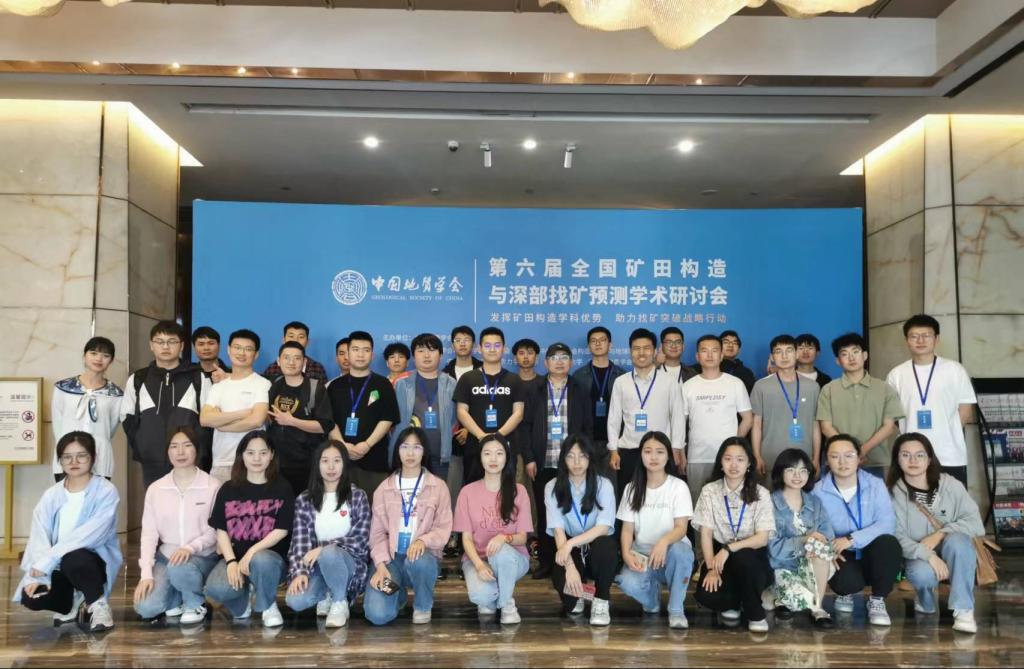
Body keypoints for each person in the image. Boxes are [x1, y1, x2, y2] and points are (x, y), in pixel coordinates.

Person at [15, 432, 121, 632]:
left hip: (91, 562)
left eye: (81, 456)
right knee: (31, 597)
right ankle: (72, 602)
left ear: (93, 458)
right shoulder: (52, 494)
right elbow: (39, 535)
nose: (74, 462)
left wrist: (48, 560)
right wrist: (39, 576)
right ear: (60, 461)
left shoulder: (106, 491)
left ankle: (98, 605)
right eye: (67, 457)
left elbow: (89, 535)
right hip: (57, 563)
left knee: (75, 558)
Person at [887, 432, 984, 634]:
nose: (913, 460)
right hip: (918, 553)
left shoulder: (950, 485)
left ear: (930, 459)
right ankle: (924, 596)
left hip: (953, 548)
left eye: (920, 455)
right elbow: (895, 535)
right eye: (905, 455)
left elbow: (975, 523)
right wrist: (929, 555)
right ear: (897, 459)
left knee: (958, 541)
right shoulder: (892, 493)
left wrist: (940, 534)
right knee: (921, 574)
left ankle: (964, 609)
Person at [365, 426, 453, 625]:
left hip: (422, 556)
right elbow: (377, 534)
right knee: (378, 615)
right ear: (397, 450)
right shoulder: (383, 489)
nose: (410, 453)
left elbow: (443, 527)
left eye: (417, 447)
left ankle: (422, 605)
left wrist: (423, 541)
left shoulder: (438, 487)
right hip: (391, 558)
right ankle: (399, 595)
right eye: (405, 447)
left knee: (420, 561)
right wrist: (380, 565)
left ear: (424, 451)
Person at [134, 426, 221, 625]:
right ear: (167, 451)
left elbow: (216, 531)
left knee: (180, 568)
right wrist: (146, 574)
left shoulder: (212, 485)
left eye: (187, 445)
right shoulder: (156, 489)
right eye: (174, 446)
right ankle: (179, 596)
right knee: (146, 607)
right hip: (167, 557)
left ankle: (195, 603)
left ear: (197, 449)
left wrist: (190, 548)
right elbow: (149, 534)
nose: (180, 452)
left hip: (201, 557)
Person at [206, 431, 294, 628]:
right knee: (216, 588)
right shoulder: (228, 489)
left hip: (270, 562)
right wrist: (231, 561)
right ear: (242, 456)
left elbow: (282, 529)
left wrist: (252, 552)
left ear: (271, 455)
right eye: (250, 453)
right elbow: (221, 530)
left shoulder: (282, 487)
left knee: (261, 560)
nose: (257, 458)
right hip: (236, 557)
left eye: (263, 453)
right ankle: (244, 598)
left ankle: (268, 605)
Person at [812, 434, 900, 627]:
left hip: (871, 548)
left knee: (889, 544)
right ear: (827, 460)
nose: (842, 462)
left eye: (849, 455)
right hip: (840, 552)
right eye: (835, 456)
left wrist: (852, 539)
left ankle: (877, 600)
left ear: (860, 458)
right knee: (846, 583)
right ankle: (845, 594)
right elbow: (815, 529)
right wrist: (827, 550)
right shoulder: (818, 491)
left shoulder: (875, 484)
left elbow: (887, 522)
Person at [524, 343, 594, 580]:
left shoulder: (580, 388)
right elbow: (525, 426)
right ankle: (547, 561)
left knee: (573, 510)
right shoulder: (534, 389)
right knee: (546, 513)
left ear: (571, 362)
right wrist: (530, 458)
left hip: (573, 464)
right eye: (554, 357)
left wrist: (585, 458)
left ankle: (574, 559)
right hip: (543, 462)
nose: (559, 361)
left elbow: (588, 426)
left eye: (565, 357)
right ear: (546, 363)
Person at [693, 437, 775, 632]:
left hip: (752, 555)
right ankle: (735, 602)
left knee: (743, 558)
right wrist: (711, 568)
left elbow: (762, 538)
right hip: (718, 555)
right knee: (708, 594)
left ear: (749, 464)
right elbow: (706, 534)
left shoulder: (761, 493)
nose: (734, 465)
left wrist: (729, 549)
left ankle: (755, 613)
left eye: (740, 459)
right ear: (720, 463)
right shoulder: (709, 491)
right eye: (728, 459)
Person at [285, 440, 370, 628]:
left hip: (350, 565)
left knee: (330, 553)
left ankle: (340, 601)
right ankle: (328, 593)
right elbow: (299, 544)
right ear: (317, 464)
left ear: (344, 464)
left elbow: (361, 540)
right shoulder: (304, 499)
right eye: (325, 461)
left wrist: (323, 548)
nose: (331, 467)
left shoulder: (357, 496)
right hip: (316, 566)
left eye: (337, 461)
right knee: (295, 601)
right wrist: (300, 572)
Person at [885, 315, 977, 486]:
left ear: (936, 339)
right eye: (914, 336)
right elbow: (892, 415)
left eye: (926, 335)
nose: (920, 340)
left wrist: (948, 432)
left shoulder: (954, 370)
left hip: (949, 455)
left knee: (951, 501)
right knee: (912, 501)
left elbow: (965, 410)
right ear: (906, 341)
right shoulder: (896, 374)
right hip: (910, 457)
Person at [615, 431, 694, 629]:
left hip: (671, 554)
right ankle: (652, 600)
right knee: (626, 582)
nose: (653, 457)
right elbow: (627, 530)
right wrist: (626, 554)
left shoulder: (678, 487)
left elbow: (681, 528)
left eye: (660, 452)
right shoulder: (631, 488)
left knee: (682, 552)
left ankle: (676, 610)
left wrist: (663, 542)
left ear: (668, 456)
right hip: (643, 556)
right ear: (640, 455)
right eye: (648, 451)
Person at [453, 434, 533, 624]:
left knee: (500, 552)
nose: (493, 459)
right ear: (480, 458)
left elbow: (522, 537)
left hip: (513, 559)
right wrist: (480, 565)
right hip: (477, 559)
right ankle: (496, 595)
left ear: (507, 457)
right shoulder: (467, 492)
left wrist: (504, 538)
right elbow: (466, 539)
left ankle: (506, 604)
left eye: (499, 453)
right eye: (487, 453)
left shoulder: (519, 491)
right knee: (481, 597)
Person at [122, 320, 211, 488]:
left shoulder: (198, 377)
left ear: (181, 346)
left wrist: (200, 447)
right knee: (156, 502)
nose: (165, 347)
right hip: (151, 460)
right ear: (151, 345)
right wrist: (142, 443)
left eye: (172, 342)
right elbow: (127, 417)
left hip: (191, 458)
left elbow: (209, 418)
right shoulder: (138, 378)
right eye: (160, 342)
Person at [545, 434, 617, 625]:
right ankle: (583, 593)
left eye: (582, 456)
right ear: (563, 459)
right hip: (570, 548)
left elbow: (603, 527)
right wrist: (569, 567)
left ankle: (601, 599)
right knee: (569, 596)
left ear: (590, 458)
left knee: (607, 547)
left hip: (596, 545)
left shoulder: (603, 485)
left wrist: (570, 543)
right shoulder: (552, 487)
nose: (576, 462)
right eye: (570, 456)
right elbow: (558, 531)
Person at [607, 328, 686, 502]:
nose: (641, 353)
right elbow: (613, 419)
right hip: (629, 451)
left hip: (660, 451)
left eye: (646, 348)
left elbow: (678, 417)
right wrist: (613, 450)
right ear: (630, 352)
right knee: (629, 501)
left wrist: (676, 448)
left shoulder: (669, 382)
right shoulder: (621, 382)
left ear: (655, 351)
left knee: (661, 501)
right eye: (636, 348)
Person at [817, 333, 904, 479]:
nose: (851, 358)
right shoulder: (828, 389)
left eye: (855, 352)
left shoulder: (884, 388)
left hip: (874, 462)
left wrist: (862, 450)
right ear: (838, 361)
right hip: (837, 462)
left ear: (865, 355)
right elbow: (826, 427)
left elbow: (889, 427)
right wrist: (850, 452)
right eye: (844, 354)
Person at [327, 330, 400, 503]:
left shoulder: (383, 384)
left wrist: (367, 445)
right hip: (340, 460)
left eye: (366, 350)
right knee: (341, 508)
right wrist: (342, 445)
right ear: (348, 353)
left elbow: (387, 418)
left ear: (372, 355)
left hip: (374, 459)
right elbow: (328, 421)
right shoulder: (334, 386)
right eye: (355, 349)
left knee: (376, 508)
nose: (360, 355)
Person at [767, 448, 835, 629]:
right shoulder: (769, 502)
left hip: (812, 562)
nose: (797, 476)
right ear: (780, 472)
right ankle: (780, 598)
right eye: (791, 470)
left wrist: (815, 544)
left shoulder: (815, 502)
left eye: (803, 470)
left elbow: (827, 534)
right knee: (793, 602)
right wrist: (804, 540)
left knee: (820, 551)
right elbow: (772, 547)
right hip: (781, 564)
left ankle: (818, 607)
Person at [682, 335, 753, 504]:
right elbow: (679, 423)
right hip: (697, 457)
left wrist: (735, 445)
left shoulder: (735, 383)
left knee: (729, 505)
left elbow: (748, 418)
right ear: (697, 356)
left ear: (721, 355)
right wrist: (681, 454)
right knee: (698, 505)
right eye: (704, 351)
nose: (709, 355)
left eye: (714, 350)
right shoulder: (688, 386)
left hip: (729, 459)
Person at [453, 327, 526, 484]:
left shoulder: (514, 380)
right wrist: (482, 436)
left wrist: (497, 436)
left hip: (506, 447)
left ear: (504, 348)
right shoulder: (468, 378)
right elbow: (461, 412)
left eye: (497, 345)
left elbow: (518, 413)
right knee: (474, 490)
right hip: (475, 447)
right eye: (487, 345)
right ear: (479, 349)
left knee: (506, 491)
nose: (492, 349)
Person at [200, 329, 272, 483]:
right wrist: (242, 413)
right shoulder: (218, 386)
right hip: (221, 461)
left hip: (253, 462)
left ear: (256, 354)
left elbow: (256, 421)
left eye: (248, 349)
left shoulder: (262, 384)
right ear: (228, 350)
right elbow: (205, 419)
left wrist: (221, 424)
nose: (241, 353)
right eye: (237, 347)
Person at [266, 341, 335, 496]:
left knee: (306, 503)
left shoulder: (315, 388)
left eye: (297, 358)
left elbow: (325, 426)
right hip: (277, 462)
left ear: (304, 362)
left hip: (307, 463)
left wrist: (292, 421)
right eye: (286, 357)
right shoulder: (273, 384)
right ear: (278, 361)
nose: (291, 362)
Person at [51, 337, 124, 481]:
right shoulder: (63, 388)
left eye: (105, 355)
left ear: (111, 361)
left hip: (100, 457)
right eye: (93, 353)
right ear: (84, 356)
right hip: (67, 457)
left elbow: (110, 429)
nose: (99, 359)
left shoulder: (116, 395)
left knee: (99, 495)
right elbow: (57, 423)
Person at [750, 335, 821, 480]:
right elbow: (756, 424)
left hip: (803, 459)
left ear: (797, 354)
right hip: (770, 459)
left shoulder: (813, 387)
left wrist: (816, 457)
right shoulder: (761, 386)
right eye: (778, 351)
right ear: (772, 357)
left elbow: (815, 425)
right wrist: (757, 456)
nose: (784, 356)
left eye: (789, 350)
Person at [392, 333, 457, 479]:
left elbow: (456, 419)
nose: (426, 355)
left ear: (441, 355)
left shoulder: (451, 383)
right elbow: (392, 421)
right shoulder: (401, 383)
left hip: (440, 455)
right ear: (414, 356)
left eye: (432, 350)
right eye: (421, 351)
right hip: (409, 456)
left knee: (438, 492)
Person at [572, 326, 626, 464]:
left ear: (610, 345)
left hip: (615, 442)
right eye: (593, 341)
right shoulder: (578, 376)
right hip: (587, 440)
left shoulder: (621, 375)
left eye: (602, 340)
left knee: (613, 477)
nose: (598, 343)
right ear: (588, 346)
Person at [262, 321, 329, 382]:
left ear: (307, 342)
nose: (296, 340)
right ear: (283, 340)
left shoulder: (317, 368)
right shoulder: (272, 368)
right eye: (291, 336)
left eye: (301, 337)